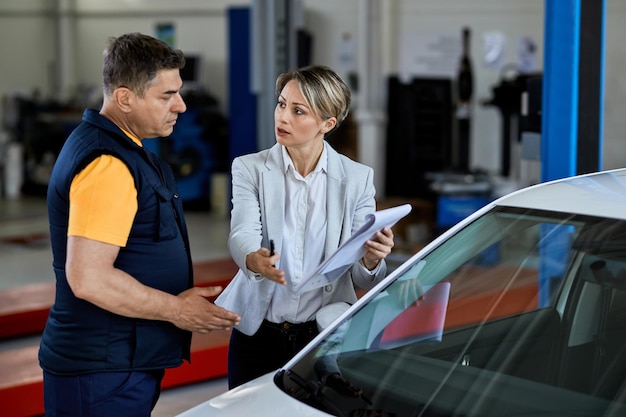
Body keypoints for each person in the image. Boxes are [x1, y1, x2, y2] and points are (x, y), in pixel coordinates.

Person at [38, 32, 241, 417]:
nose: (180, 105)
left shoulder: (124, 149)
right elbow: (89, 278)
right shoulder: (108, 164)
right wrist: (177, 311)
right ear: (125, 98)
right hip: (102, 370)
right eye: (166, 95)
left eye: (178, 92)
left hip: (120, 364)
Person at [216, 64, 395, 389]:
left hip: (323, 337)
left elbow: (360, 275)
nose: (282, 117)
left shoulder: (357, 179)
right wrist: (256, 260)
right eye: (282, 104)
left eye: (298, 111)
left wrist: (372, 259)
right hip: (258, 335)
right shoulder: (250, 168)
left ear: (327, 123)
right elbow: (241, 233)